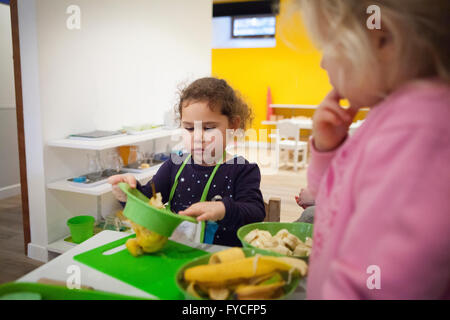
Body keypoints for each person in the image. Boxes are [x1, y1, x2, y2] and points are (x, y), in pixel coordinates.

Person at [297, 0, 450, 299]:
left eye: (329, 44)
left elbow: (375, 286)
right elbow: (334, 200)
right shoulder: (393, 115)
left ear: (383, 39)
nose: (322, 62)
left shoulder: (416, 131)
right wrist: (329, 150)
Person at [108, 77, 266, 247]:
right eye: (189, 128)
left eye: (208, 128)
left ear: (233, 125)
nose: (198, 137)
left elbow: (255, 212)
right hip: (176, 253)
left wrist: (223, 209)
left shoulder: (242, 170)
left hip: (220, 259)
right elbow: (148, 202)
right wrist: (128, 194)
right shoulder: (174, 164)